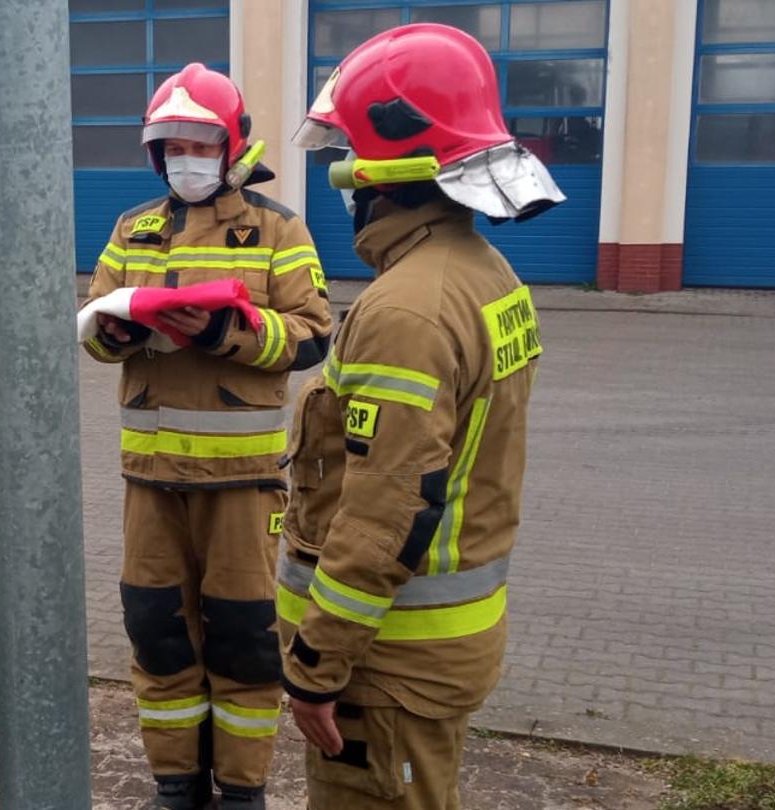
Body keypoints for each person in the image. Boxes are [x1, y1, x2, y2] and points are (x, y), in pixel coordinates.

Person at [278, 23, 560, 810]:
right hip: (434, 656)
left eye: (351, 157)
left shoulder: (406, 309)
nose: (345, 178)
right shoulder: (484, 273)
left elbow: (386, 509)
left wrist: (315, 666)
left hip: (385, 664)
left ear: (389, 169)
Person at [82, 63, 335, 810]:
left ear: (232, 146)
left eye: (199, 144)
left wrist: (230, 330)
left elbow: (315, 335)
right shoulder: (135, 228)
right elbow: (95, 325)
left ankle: (243, 788)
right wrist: (118, 328)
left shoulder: (278, 228)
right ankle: (175, 783)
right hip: (150, 482)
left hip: (243, 484)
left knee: (245, 643)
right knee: (157, 637)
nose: (184, 159)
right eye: (171, 147)